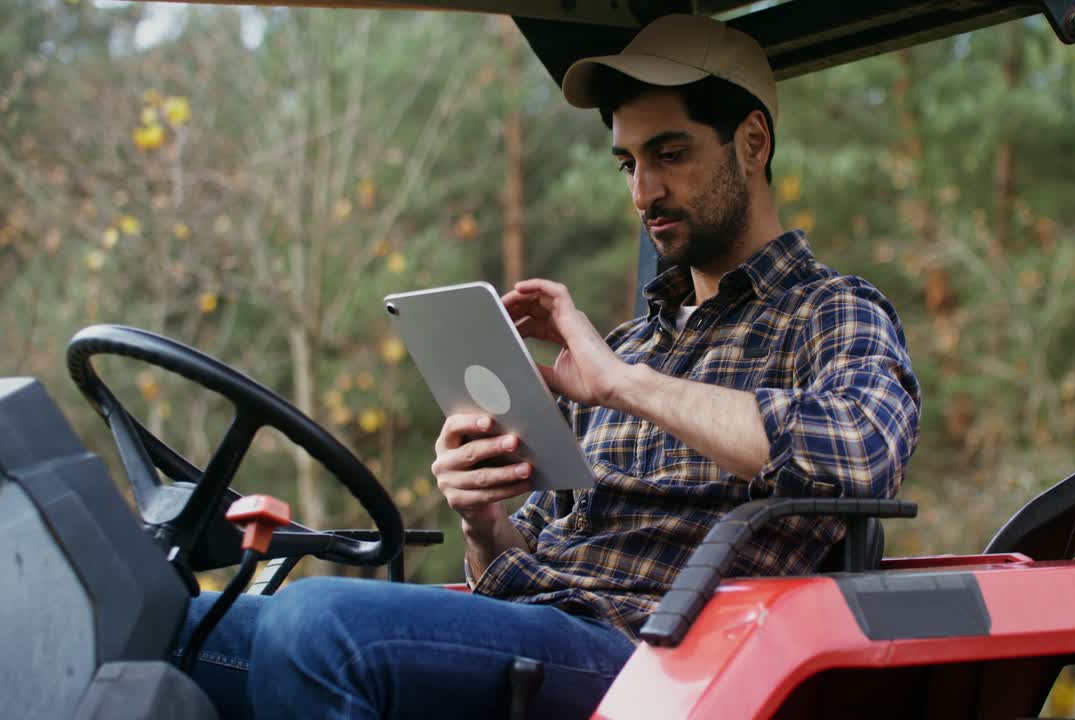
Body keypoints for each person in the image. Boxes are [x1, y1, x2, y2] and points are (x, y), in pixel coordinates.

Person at [178, 13, 921, 720]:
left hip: (668, 662)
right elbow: (521, 561)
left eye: (670, 154)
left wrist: (625, 388)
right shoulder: (628, 348)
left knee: (318, 624)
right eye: (628, 163)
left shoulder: (829, 312)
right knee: (182, 626)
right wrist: (481, 519)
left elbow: (858, 454)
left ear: (752, 142)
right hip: (546, 629)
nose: (643, 192)